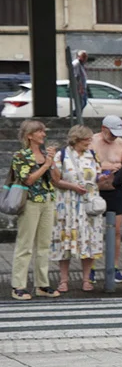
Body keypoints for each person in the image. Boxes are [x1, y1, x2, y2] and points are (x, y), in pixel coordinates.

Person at [9, 120, 60, 300]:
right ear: (29, 135)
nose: (43, 134)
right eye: (39, 131)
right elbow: (28, 180)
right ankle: (18, 285)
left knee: (44, 245)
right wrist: (45, 165)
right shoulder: (20, 156)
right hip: (30, 201)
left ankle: (42, 284)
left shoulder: (46, 154)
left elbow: (56, 179)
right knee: (25, 245)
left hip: (47, 200)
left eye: (43, 131)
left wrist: (52, 163)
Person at [51, 125, 104, 292]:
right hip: (67, 204)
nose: (89, 142)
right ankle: (63, 280)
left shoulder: (92, 155)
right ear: (76, 139)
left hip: (88, 204)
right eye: (86, 139)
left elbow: (97, 177)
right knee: (65, 242)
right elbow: (55, 180)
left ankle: (87, 280)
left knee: (89, 241)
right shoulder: (62, 155)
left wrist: (106, 178)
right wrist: (73, 186)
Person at [89, 115, 122, 284]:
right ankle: (90, 267)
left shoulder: (121, 143)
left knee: (116, 231)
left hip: (114, 190)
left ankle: (114, 267)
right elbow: (87, 165)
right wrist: (105, 167)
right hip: (96, 190)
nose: (114, 137)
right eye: (111, 133)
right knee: (94, 231)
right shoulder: (92, 142)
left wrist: (120, 171)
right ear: (103, 129)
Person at [71, 50, 89, 117]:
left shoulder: (81, 64)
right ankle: (75, 115)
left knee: (84, 102)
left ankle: (76, 115)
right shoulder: (76, 64)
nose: (85, 59)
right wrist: (80, 87)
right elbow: (76, 76)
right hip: (79, 88)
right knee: (81, 103)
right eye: (84, 57)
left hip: (83, 87)